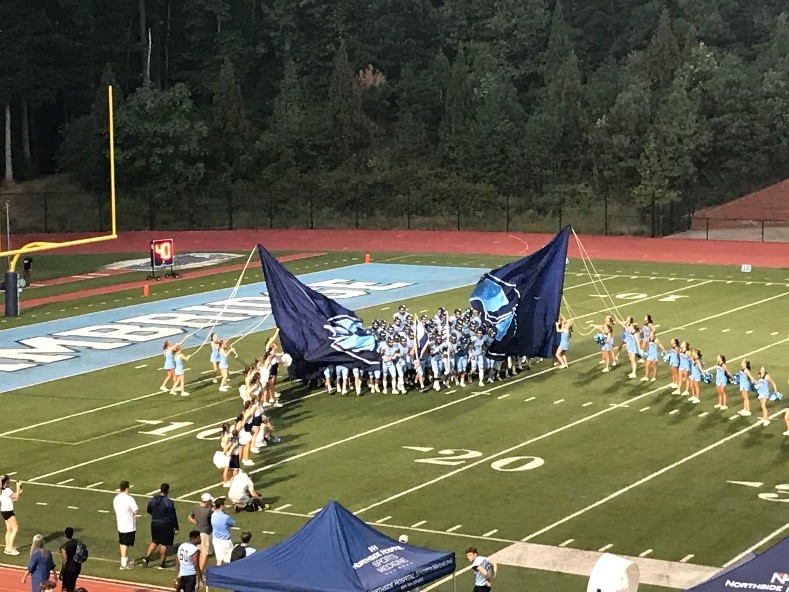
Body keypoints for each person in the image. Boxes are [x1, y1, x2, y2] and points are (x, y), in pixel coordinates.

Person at [143, 483, 179, 569]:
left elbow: (149, 510)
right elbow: (173, 515)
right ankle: (162, 562)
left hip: (155, 523)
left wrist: (155, 514)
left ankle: (147, 557)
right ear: (168, 490)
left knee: (154, 541)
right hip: (166, 524)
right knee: (164, 544)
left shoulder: (153, 499)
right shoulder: (169, 502)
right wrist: (176, 526)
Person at [112, 480, 138, 570]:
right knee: (125, 544)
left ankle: (125, 560)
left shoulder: (116, 498)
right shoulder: (129, 499)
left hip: (121, 524)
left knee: (123, 543)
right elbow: (135, 511)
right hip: (129, 525)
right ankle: (124, 563)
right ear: (127, 488)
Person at [187, 493, 213, 574]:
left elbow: (189, 517)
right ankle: (200, 572)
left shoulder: (196, 507)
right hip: (205, 533)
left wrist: (197, 523)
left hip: (198, 531)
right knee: (205, 553)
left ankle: (196, 569)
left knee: (199, 552)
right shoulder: (208, 511)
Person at [210, 498, 235, 566]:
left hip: (216, 540)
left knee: (219, 560)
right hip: (225, 541)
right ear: (221, 506)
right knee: (230, 559)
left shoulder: (213, 515)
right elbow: (233, 523)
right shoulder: (225, 517)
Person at [1, 474, 22, 555]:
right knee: (15, 529)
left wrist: (18, 491)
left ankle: (7, 547)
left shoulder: (2, 490)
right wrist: (18, 486)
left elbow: (14, 497)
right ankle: (10, 549)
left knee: (9, 529)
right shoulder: (7, 490)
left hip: (3, 511)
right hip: (8, 511)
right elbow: (16, 497)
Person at [59, 527, 82, 592]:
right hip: (77, 567)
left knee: (67, 588)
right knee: (72, 585)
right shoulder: (77, 542)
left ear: (65, 535)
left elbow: (64, 560)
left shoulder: (64, 546)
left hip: (69, 569)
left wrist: (62, 571)